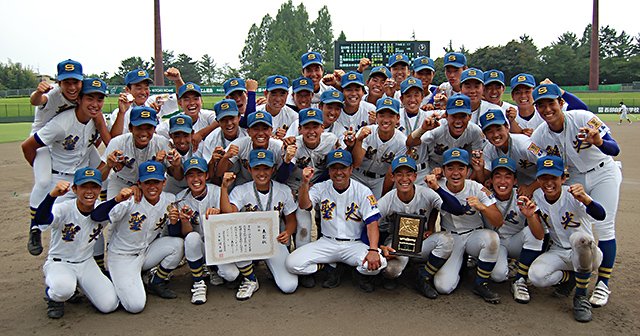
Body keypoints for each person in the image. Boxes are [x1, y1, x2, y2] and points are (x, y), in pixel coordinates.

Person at [530, 83, 621, 307]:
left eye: (551, 103)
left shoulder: (582, 117)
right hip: (575, 178)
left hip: (602, 171)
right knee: (572, 225)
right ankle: (573, 271)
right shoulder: (540, 134)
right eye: (540, 105)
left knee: (605, 225)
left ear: (561, 103)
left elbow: (614, 149)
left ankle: (602, 283)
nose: (546, 109)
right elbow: (540, 160)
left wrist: (598, 141)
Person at [23, 78, 109, 256]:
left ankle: (97, 268)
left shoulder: (95, 119)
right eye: (89, 98)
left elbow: (106, 141)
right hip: (59, 179)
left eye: (99, 99)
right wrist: (39, 167)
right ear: (79, 99)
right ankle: (38, 233)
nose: (94, 104)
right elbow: (28, 146)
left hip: (80, 178)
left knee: (93, 223)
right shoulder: (61, 123)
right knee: (60, 223)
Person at [285, 149, 387, 292]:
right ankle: (327, 265)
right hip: (327, 242)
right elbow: (304, 205)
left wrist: (373, 249)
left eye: (343, 168)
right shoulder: (322, 187)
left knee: (379, 263)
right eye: (334, 168)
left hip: (354, 244)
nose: (338, 172)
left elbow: (372, 223)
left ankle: (354, 271)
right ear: (329, 170)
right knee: (292, 263)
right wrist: (305, 183)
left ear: (351, 169)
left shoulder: (362, 191)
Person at [91, 161, 185, 313]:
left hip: (145, 252)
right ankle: (110, 280)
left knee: (178, 244)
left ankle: (156, 281)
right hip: (122, 257)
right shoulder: (129, 200)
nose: (152, 186)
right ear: (139, 183)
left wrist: (174, 223)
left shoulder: (169, 199)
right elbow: (97, 216)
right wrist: (116, 199)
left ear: (164, 182)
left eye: (156, 182)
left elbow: (174, 234)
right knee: (135, 306)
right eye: (147, 182)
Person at [528, 156, 606, 323]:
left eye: (553, 178)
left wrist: (586, 199)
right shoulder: (537, 196)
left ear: (563, 178)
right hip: (558, 251)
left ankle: (581, 297)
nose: (548, 183)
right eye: (544, 178)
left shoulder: (573, 194)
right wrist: (530, 217)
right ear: (538, 179)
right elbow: (540, 235)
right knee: (536, 277)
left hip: (587, 254)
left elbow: (601, 215)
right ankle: (570, 279)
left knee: (579, 238)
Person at [34, 168, 119, 319]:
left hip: (86, 263)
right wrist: (51, 196)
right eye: (84, 186)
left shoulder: (102, 208)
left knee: (109, 305)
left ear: (100, 189)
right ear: (74, 189)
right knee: (63, 289)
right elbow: (41, 219)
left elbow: (102, 212)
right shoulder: (64, 208)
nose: (89, 191)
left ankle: (77, 285)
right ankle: (53, 297)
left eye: (94, 186)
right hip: (60, 263)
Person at [377, 155, 462, 297]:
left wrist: (437, 188)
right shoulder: (388, 199)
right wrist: (380, 248)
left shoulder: (426, 193)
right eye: (399, 174)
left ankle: (423, 276)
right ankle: (393, 274)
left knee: (446, 240)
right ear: (393, 177)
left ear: (415, 176)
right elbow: (370, 224)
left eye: (409, 174)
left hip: (422, 242)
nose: (404, 179)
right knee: (392, 271)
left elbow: (457, 210)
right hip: (398, 245)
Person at [219, 149, 299, 300]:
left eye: (266, 168)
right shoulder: (241, 190)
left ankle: (269, 267)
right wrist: (224, 188)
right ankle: (250, 279)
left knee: (289, 286)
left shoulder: (283, 190)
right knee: (237, 238)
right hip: (249, 242)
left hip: (273, 241)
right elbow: (228, 215)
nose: (261, 173)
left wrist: (288, 232)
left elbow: (291, 220)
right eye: (257, 168)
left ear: (273, 169)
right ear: (249, 169)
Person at [431, 148, 504, 303]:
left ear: (468, 170)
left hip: (474, 236)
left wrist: (483, 208)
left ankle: (480, 283)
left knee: (492, 238)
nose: (455, 173)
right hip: (451, 238)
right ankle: (461, 263)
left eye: (461, 168)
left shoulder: (477, 188)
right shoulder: (438, 186)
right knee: (443, 287)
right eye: (450, 168)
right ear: (443, 170)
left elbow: (498, 221)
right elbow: (430, 212)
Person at [174, 157, 235, 304]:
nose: (195, 179)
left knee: (231, 275)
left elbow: (231, 219)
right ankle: (198, 281)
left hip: (219, 245)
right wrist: (184, 221)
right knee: (192, 237)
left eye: (199, 174)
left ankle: (213, 268)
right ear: (185, 178)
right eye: (190, 175)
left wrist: (218, 213)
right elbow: (186, 234)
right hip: (198, 247)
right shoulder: (180, 198)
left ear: (206, 176)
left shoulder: (218, 191)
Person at [486, 156, 544, 303]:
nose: (503, 181)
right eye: (497, 176)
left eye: (508, 176)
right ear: (491, 180)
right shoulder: (484, 195)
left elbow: (539, 235)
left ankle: (520, 279)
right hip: (496, 243)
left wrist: (530, 217)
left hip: (515, 241)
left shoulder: (522, 196)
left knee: (531, 232)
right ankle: (513, 265)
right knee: (498, 276)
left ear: (515, 180)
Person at [405, 94, 484, 175]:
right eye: (454, 116)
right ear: (446, 115)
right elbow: (410, 143)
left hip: (461, 170)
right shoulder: (437, 128)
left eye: (462, 116)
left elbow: (476, 165)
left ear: (470, 117)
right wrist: (422, 129)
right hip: (433, 168)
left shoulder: (475, 131)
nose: (458, 121)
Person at [349, 97, 407, 198]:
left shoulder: (402, 141)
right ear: (376, 117)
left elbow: (390, 174)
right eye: (382, 115)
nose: (386, 120)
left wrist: (383, 197)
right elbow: (357, 164)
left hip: (380, 180)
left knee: (378, 209)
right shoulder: (367, 131)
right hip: (358, 176)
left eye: (390, 116)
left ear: (398, 118)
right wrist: (359, 140)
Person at [215, 111, 291, 186]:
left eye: (265, 129)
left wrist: (287, 161)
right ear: (248, 131)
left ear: (271, 130)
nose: (260, 133)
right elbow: (219, 173)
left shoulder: (278, 147)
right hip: (244, 183)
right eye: (256, 129)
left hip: (271, 184)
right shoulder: (240, 144)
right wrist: (225, 157)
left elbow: (283, 178)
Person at [478, 109, 542, 197]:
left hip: (541, 183)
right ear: (484, 134)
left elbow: (550, 166)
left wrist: (530, 188)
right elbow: (485, 177)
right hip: (516, 187)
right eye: (490, 131)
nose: (495, 134)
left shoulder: (523, 144)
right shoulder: (489, 149)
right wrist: (479, 170)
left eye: (498, 129)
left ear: (507, 127)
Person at [156, 82, 218, 146]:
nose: (192, 102)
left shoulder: (207, 116)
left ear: (201, 101)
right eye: (186, 99)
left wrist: (200, 134)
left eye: (195, 99)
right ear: (180, 103)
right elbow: (155, 133)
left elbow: (220, 119)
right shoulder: (173, 121)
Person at [201, 99, 247, 177]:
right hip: (220, 181)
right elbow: (208, 175)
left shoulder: (247, 135)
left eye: (232, 118)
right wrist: (212, 161)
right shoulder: (211, 139)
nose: (229, 123)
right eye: (223, 120)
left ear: (239, 117)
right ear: (218, 122)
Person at [257, 75, 298, 139]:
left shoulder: (293, 116)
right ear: (266, 94)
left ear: (287, 95)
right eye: (274, 94)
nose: (278, 99)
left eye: (282, 94)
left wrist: (286, 137)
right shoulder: (255, 112)